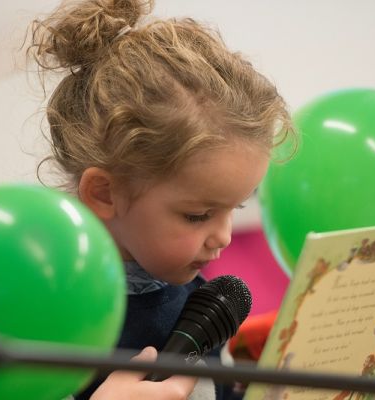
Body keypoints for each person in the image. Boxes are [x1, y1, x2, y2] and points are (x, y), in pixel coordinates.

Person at [27, 0, 293, 398]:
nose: (223, 236)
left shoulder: (201, 304)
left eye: (234, 209)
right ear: (104, 193)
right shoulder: (42, 316)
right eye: (197, 215)